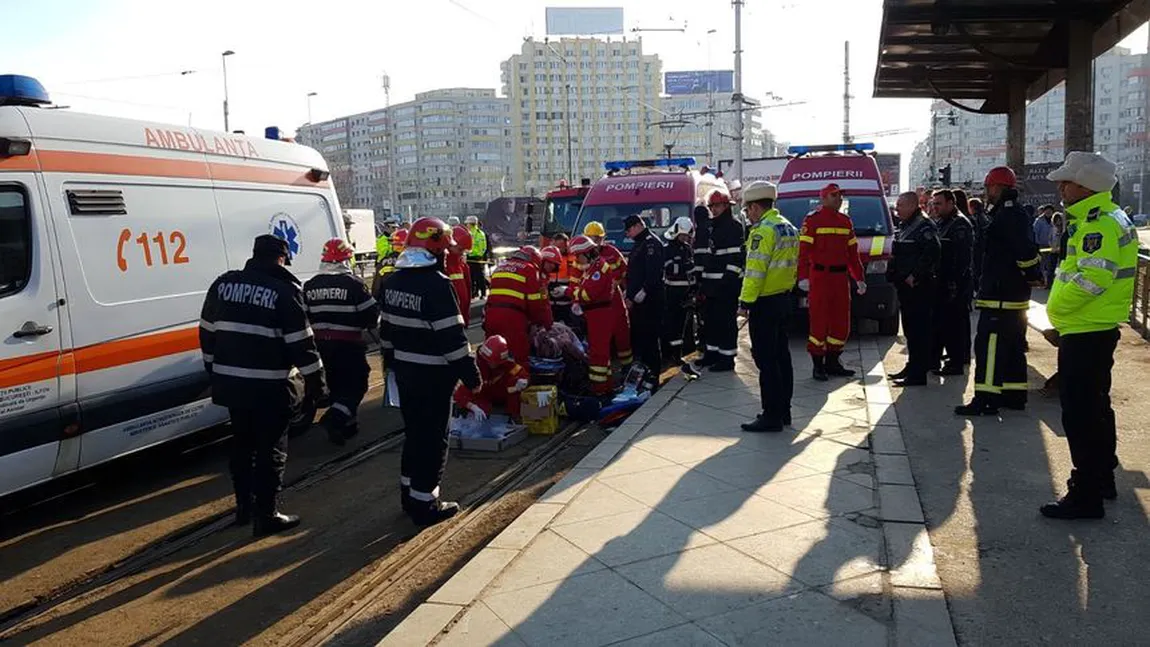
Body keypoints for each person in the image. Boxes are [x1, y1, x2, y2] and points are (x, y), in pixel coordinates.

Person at [199, 234, 326, 537]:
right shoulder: (284, 291)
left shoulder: (222, 285)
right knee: (271, 449)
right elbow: (302, 345)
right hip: (270, 387)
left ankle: (244, 508)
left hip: (232, 384)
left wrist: (214, 370)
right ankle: (266, 514)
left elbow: (206, 332)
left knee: (242, 445)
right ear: (281, 258)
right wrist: (317, 386)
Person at [1039, 152, 1137, 519]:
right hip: (1094, 327)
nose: (1061, 188)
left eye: (1066, 182)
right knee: (1097, 409)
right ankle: (1102, 478)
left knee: (1080, 414)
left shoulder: (1098, 224)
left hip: (1085, 327)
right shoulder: (1103, 218)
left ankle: (1085, 494)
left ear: (1086, 186)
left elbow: (1094, 278)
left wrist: (1059, 310)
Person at [379, 217, 481, 525]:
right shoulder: (438, 285)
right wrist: (471, 375)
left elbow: (386, 332)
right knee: (434, 440)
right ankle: (426, 504)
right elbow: (452, 339)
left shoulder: (393, 281)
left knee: (414, 436)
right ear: (436, 249)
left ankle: (410, 495)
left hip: (406, 375)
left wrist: (391, 366)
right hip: (434, 379)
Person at [955, 167, 1043, 416]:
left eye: (988, 188)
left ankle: (986, 399)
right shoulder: (1010, 213)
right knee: (1013, 348)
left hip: (1000, 296)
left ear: (996, 187)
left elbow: (1023, 251)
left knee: (989, 347)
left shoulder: (1007, 216)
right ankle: (1014, 395)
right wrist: (1029, 276)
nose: (986, 193)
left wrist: (1031, 274)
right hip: (1011, 295)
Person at [304, 239, 380, 446]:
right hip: (348, 344)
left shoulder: (310, 285)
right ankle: (335, 418)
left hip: (321, 346)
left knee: (337, 384)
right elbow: (371, 314)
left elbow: (305, 316)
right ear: (346, 260)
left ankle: (348, 424)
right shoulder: (353, 284)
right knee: (357, 384)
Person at [737, 181, 798, 432]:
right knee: (782, 356)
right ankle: (784, 410)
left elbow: (755, 272)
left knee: (766, 359)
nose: (748, 214)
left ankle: (771, 415)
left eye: (748, 209)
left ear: (754, 207)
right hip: (784, 299)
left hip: (764, 303)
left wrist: (744, 303)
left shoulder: (762, 231)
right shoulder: (788, 227)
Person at [797, 183, 866, 381]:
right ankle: (818, 365)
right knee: (819, 321)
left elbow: (853, 254)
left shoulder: (845, 221)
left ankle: (833, 362)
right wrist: (803, 276)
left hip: (840, 278)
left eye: (840, 195)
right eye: (834, 195)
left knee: (840, 321)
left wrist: (859, 278)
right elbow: (804, 252)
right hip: (820, 277)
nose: (839, 199)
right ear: (824, 198)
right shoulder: (813, 220)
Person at [886, 192, 941, 386]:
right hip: (906, 288)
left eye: (901, 205)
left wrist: (915, 275)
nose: (897, 209)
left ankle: (918, 374)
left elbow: (933, 251)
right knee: (910, 330)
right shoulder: (906, 225)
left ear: (912, 206)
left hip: (919, 287)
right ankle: (913, 366)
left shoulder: (924, 225)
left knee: (919, 331)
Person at [697, 189, 745, 372]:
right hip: (711, 285)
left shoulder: (732, 226)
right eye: (712, 206)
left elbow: (736, 259)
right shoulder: (713, 226)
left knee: (726, 323)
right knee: (711, 322)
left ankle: (727, 358)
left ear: (726, 206)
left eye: (717, 206)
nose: (714, 210)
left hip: (726, 286)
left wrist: (727, 283)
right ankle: (712, 354)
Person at [929, 189, 975, 375]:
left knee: (954, 324)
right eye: (934, 204)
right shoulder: (942, 222)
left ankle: (956, 362)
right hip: (942, 281)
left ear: (950, 203)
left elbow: (961, 258)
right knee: (942, 323)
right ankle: (944, 358)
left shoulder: (960, 224)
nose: (935, 207)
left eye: (939, 203)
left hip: (955, 282)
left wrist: (954, 284)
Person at [484, 245, 552, 366]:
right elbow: (535, 304)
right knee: (518, 356)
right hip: (512, 319)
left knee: (492, 355)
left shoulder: (499, 267)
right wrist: (544, 324)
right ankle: (519, 382)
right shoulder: (529, 269)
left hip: (491, 316)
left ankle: (492, 383)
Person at [568, 235, 616, 394]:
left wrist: (568, 292)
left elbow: (587, 294)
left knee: (598, 356)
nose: (577, 259)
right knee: (600, 354)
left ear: (587, 253)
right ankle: (606, 387)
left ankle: (599, 390)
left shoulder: (599, 269)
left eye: (578, 255)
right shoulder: (593, 267)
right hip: (596, 314)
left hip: (600, 315)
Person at [624, 214, 665, 386]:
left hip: (649, 301)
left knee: (650, 339)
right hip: (637, 302)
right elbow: (634, 272)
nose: (627, 235)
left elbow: (653, 273)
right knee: (639, 339)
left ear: (637, 226)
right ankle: (642, 373)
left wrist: (643, 292)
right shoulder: (639, 244)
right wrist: (629, 294)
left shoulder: (651, 243)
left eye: (628, 230)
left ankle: (653, 375)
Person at [453, 334, 530, 421]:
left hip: (500, 396)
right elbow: (459, 393)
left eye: (496, 362)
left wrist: (523, 380)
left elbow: (519, 371)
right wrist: (473, 407)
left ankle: (514, 417)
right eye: (491, 362)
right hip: (481, 399)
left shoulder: (505, 363)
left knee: (514, 385)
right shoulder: (475, 367)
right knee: (480, 408)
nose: (493, 365)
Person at [662, 216, 695, 362]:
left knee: (682, 325)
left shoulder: (687, 248)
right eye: (682, 235)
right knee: (671, 324)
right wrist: (685, 267)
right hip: (671, 292)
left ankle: (678, 354)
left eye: (686, 236)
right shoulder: (667, 249)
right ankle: (669, 354)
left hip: (685, 292)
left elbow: (690, 269)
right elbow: (670, 269)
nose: (685, 238)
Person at [598, 241, 633, 369]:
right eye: (591, 238)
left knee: (622, 330)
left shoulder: (612, 252)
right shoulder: (585, 256)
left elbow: (625, 272)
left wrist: (628, 292)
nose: (594, 241)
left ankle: (626, 366)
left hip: (614, 296)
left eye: (597, 238)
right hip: (597, 300)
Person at [690, 204, 713, 355]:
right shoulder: (714, 227)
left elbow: (698, 260)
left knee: (704, 315)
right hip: (717, 279)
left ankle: (705, 344)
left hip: (704, 282)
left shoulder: (700, 233)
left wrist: (696, 283)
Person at [447, 225, 474, 327]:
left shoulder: (461, 265)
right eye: (460, 249)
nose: (462, 252)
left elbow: (467, 296)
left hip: (459, 322)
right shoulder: (443, 265)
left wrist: (465, 320)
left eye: (464, 250)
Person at [968, 197, 990, 292]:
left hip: (978, 249)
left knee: (977, 270)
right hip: (983, 249)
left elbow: (977, 236)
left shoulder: (976, 218)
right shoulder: (985, 216)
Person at [465, 215, 489, 299]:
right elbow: (484, 247)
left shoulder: (469, 233)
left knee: (473, 277)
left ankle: (474, 293)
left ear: (471, 224)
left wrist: (469, 253)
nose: (466, 225)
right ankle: (482, 293)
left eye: (467, 223)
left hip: (472, 258)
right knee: (479, 277)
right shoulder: (481, 233)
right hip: (477, 258)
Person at [1033, 204, 1056, 287]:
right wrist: (1036, 244)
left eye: (1050, 210)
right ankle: (1044, 280)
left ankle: (1050, 281)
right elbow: (1035, 233)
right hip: (1042, 245)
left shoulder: (1056, 220)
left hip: (1053, 246)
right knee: (1043, 263)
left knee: (1051, 264)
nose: (1048, 212)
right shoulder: (1039, 220)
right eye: (1047, 210)